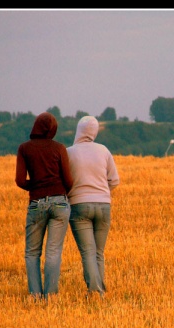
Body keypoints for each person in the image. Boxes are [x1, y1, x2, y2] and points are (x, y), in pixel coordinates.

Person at [15, 112, 73, 300]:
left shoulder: (24, 148)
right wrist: (58, 190)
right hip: (59, 202)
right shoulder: (59, 148)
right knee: (53, 251)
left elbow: (19, 180)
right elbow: (69, 179)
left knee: (32, 252)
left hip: (36, 203)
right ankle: (51, 296)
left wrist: (37, 186)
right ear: (52, 129)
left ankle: (35, 295)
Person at [66, 115, 120, 299]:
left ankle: (95, 291)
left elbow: (65, 181)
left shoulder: (69, 152)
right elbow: (114, 180)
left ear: (78, 131)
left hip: (79, 205)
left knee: (87, 252)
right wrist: (103, 192)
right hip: (104, 205)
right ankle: (100, 291)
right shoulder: (104, 150)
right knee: (98, 252)